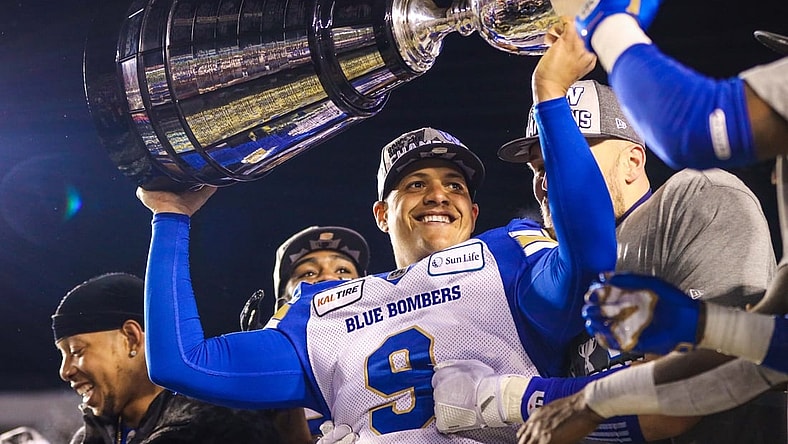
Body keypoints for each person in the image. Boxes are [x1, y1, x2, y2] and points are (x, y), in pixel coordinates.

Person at [135, 71, 620, 441]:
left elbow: (591, 254)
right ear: (382, 214)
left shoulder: (511, 257)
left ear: (473, 212)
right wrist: (171, 217)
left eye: (454, 185)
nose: (437, 195)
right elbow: (182, 364)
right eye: (414, 185)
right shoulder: (318, 312)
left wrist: (551, 96)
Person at [434, 17, 779, 444]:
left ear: (634, 161)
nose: (549, 177)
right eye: (541, 167)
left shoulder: (692, 197)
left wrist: (513, 400)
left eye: (570, 151)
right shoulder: (546, 264)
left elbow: (715, 373)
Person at [52, 272, 283, 444]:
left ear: (131, 338)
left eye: (77, 351)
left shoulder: (218, 425)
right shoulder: (95, 433)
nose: (65, 370)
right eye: (63, 354)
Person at [238, 225, 370, 439]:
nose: (328, 278)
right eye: (308, 273)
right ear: (283, 303)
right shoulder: (255, 385)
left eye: (343, 271)